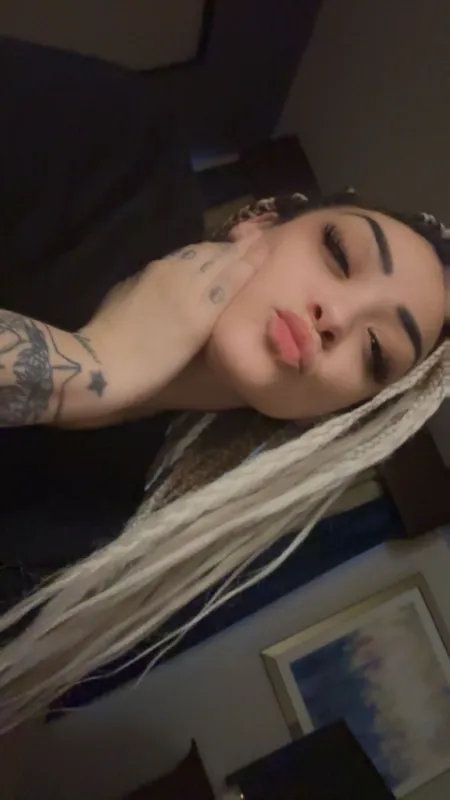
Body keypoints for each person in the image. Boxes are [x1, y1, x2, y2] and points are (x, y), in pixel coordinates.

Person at [0, 40, 449, 732]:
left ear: (327, 414)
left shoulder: (99, 531)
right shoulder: (116, 142)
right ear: (261, 220)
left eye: (374, 351)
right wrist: (93, 364)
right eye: (338, 253)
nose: (337, 317)